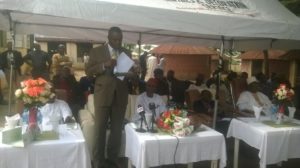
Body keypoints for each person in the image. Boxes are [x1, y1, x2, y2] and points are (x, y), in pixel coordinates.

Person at [85, 26, 132, 168]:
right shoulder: (96, 51)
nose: (118, 42)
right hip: (103, 95)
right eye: (115, 39)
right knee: (100, 130)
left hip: (121, 95)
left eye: (120, 39)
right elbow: (88, 72)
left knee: (117, 130)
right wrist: (104, 65)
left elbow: (128, 74)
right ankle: (98, 161)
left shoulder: (126, 52)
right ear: (109, 38)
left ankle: (112, 158)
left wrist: (134, 71)